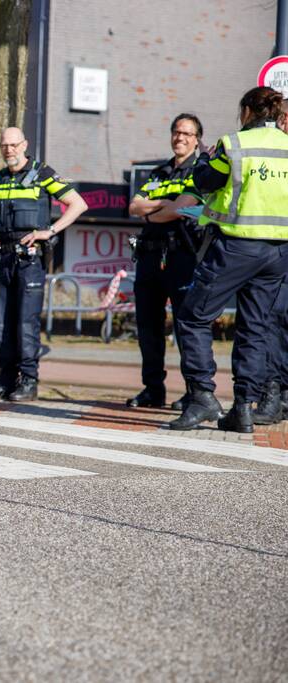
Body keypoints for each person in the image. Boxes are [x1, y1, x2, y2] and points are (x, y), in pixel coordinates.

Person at [169, 87, 288, 433]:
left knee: (192, 316)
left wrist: (204, 159)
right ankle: (243, 409)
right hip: (278, 252)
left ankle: (202, 396)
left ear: (248, 111)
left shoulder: (234, 144)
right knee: (255, 326)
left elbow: (205, 180)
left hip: (236, 247)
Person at [0, 127, 88, 401]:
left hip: (30, 260)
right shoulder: (0, 179)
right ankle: (5, 381)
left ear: (24, 144)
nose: (9, 150)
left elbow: (78, 204)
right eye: (4, 145)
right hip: (4, 258)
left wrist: (50, 231)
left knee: (26, 322)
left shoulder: (42, 173)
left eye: (13, 145)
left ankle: (28, 382)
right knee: (2, 323)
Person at [125, 114, 205, 409]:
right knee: (148, 327)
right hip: (149, 256)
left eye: (186, 133)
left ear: (197, 139)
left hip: (182, 256)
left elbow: (182, 210)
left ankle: (193, 392)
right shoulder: (158, 173)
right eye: (176, 132)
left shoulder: (200, 171)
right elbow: (134, 206)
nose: (179, 137)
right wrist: (162, 206)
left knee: (186, 327)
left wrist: (157, 209)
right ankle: (153, 390)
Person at [252, 98, 288, 426]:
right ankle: (272, 392)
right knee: (273, 322)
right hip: (278, 252)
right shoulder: (276, 155)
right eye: (283, 117)